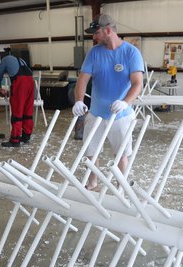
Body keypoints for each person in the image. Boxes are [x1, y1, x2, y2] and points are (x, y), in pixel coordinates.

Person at [72, 14, 144, 190]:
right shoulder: (94, 52)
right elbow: (83, 79)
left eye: (96, 33)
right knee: (91, 152)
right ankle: (93, 181)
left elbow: (137, 83)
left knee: (121, 154)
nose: (94, 37)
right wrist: (79, 100)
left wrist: (126, 102)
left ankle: (123, 186)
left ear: (108, 30)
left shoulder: (131, 52)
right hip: (96, 113)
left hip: (121, 115)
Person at [0, 48, 35, 147]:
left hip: (20, 83)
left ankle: (15, 140)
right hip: (31, 82)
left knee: (17, 112)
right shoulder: (21, 60)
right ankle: (26, 136)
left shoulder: (5, 60)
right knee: (27, 112)